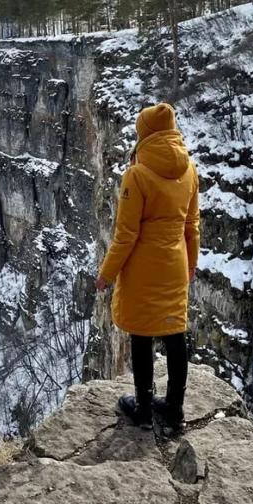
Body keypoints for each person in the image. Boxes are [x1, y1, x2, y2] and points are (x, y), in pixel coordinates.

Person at [95, 102, 200, 432]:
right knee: (174, 335)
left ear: (146, 134)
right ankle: (174, 409)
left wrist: (107, 274)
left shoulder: (137, 174)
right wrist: (191, 266)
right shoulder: (190, 170)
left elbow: (126, 235)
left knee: (141, 335)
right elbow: (192, 227)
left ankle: (142, 408)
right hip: (175, 263)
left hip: (143, 268)